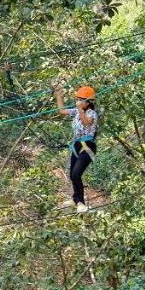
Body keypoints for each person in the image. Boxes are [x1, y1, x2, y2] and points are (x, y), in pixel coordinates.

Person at [53, 82, 99, 212]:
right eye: (77, 99)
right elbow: (61, 111)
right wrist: (59, 95)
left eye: (80, 100)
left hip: (87, 146)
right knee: (72, 174)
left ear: (88, 102)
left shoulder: (91, 113)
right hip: (76, 146)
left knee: (76, 174)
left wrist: (79, 110)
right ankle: (76, 200)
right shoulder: (76, 111)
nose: (78, 102)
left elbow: (86, 123)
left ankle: (80, 203)